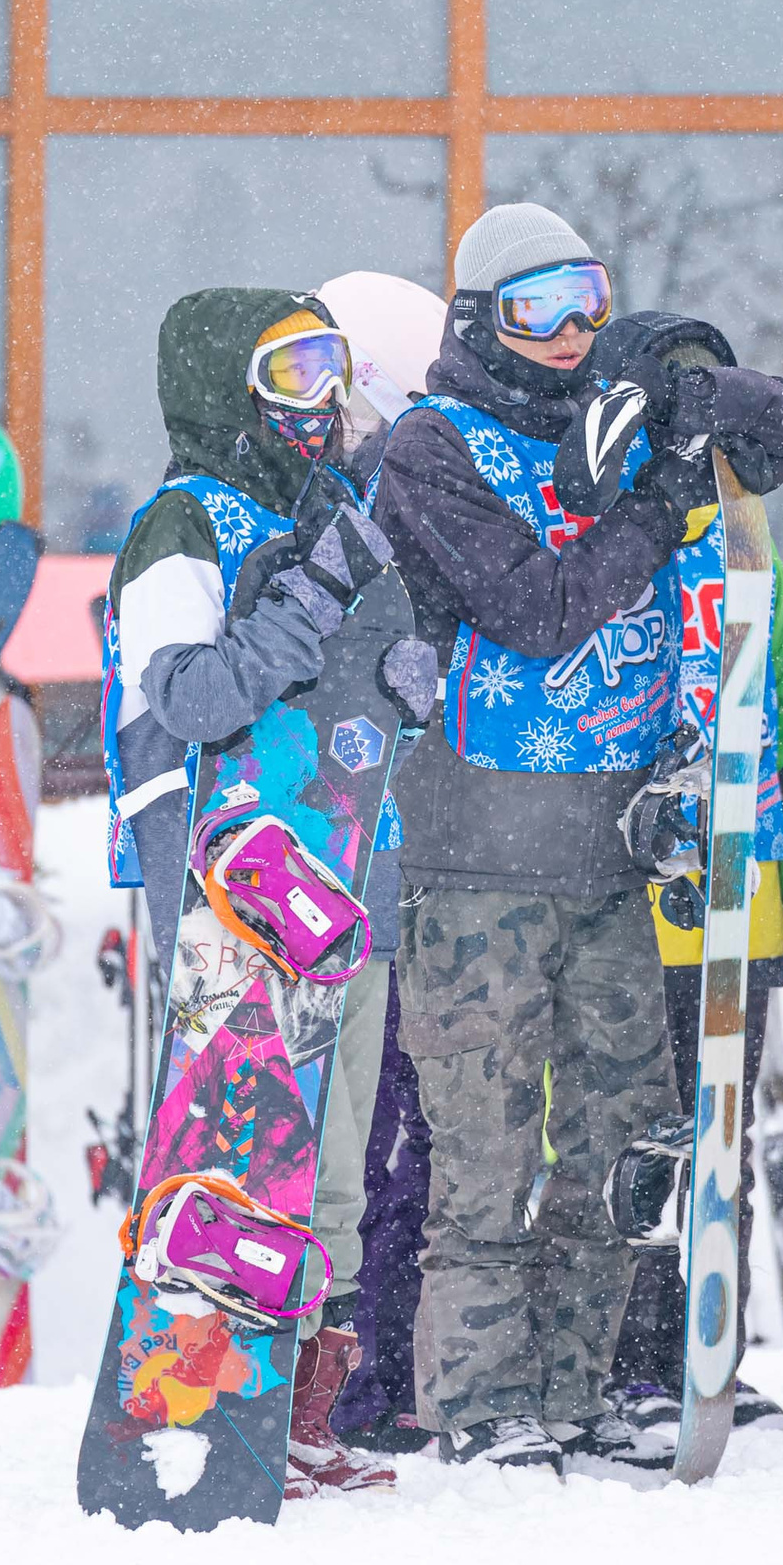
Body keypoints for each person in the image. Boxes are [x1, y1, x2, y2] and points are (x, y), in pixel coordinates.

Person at [373, 204, 783, 1478]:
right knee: (488, 1149)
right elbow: (535, 611)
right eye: (537, 308)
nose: (569, 332)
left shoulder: (606, 419)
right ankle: (475, 1400)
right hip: (478, 869)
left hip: (610, 864)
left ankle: (579, 1385)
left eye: (586, 298)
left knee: (624, 1147)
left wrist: (688, 378)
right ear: (477, 320)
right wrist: (654, 507)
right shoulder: (431, 447)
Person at [99, 286, 438, 1498]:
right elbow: (191, 698)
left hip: (344, 861)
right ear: (226, 386)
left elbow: (352, 690)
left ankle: (300, 1397)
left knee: (338, 1147)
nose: (318, 404)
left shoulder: (338, 507)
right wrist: (308, 599)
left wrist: (400, 672)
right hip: (227, 873)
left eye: (329, 373)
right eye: (289, 373)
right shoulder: (179, 524)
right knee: (243, 1140)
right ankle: (202, 1377)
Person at [608, 506, 783, 1436]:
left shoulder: (746, 545)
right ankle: (618, 1360)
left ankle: (702, 1352)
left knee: (721, 1140)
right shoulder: (600, 525)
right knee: (623, 1135)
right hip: (630, 904)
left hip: (736, 899)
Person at [313, 271, 448, 1456]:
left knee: (401, 1135)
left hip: (416, 864)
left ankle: (381, 1370)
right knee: (355, 1138)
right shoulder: (317, 503)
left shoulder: (409, 493)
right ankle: (347, 1369)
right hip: (344, 868)